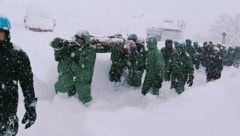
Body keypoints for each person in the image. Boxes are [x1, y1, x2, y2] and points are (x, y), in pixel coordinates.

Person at [0, 16, 37, 135]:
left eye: (0, 33)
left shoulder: (18, 55)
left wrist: (30, 105)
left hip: (7, 107)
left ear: (6, 33)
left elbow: (27, 82)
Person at [51, 30, 96, 106]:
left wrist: (75, 57)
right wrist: (64, 47)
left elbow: (87, 64)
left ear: (85, 41)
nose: (78, 42)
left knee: (85, 97)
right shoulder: (72, 46)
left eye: (80, 41)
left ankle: (89, 112)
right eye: (77, 40)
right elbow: (57, 56)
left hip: (83, 76)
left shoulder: (90, 50)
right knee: (61, 88)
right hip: (70, 75)